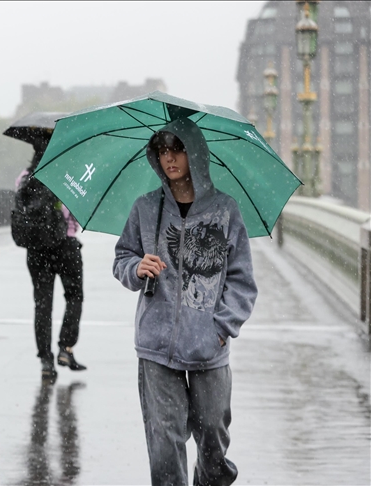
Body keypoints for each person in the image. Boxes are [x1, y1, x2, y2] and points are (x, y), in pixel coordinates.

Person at [112, 118, 258, 486]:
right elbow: (122, 258)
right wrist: (136, 267)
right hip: (156, 345)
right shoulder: (145, 208)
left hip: (209, 345)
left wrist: (221, 330)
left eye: (177, 149)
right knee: (164, 442)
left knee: (213, 439)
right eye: (161, 151)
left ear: (195, 153)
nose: (169, 159)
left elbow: (242, 279)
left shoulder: (226, 210)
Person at [16, 139, 87, 381]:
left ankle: (46, 360)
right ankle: (66, 348)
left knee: (42, 304)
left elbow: (21, 207)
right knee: (74, 296)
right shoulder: (66, 176)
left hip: (36, 248)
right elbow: (74, 211)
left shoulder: (25, 177)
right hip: (65, 246)